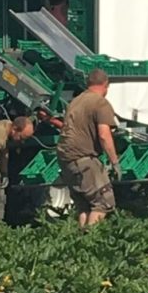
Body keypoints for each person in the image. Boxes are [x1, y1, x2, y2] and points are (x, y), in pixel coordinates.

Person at [56, 68, 120, 228]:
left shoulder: (75, 101)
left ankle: (80, 244)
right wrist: (115, 161)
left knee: (84, 206)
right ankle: (90, 243)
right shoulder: (100, 102)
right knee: (103, 203)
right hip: (83, 159)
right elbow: (104, 135)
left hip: (66, 160)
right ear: (106, 85)